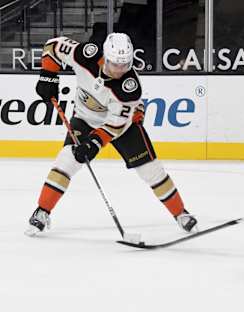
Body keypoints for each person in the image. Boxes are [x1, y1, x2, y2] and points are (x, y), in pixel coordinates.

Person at [25, 33, 198, 236]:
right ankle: (42, 211)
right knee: (66, 161)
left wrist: (93, 144)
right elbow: (52, 46)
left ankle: (180, 214)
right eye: (115, 64)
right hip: (84, 118)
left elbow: (115, 125)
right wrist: (48, 75)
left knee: (151, 171)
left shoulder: (129, 88)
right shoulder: (85, 56)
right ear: (105, 57)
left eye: (125, 65)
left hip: (124, 125)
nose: (119, 70)